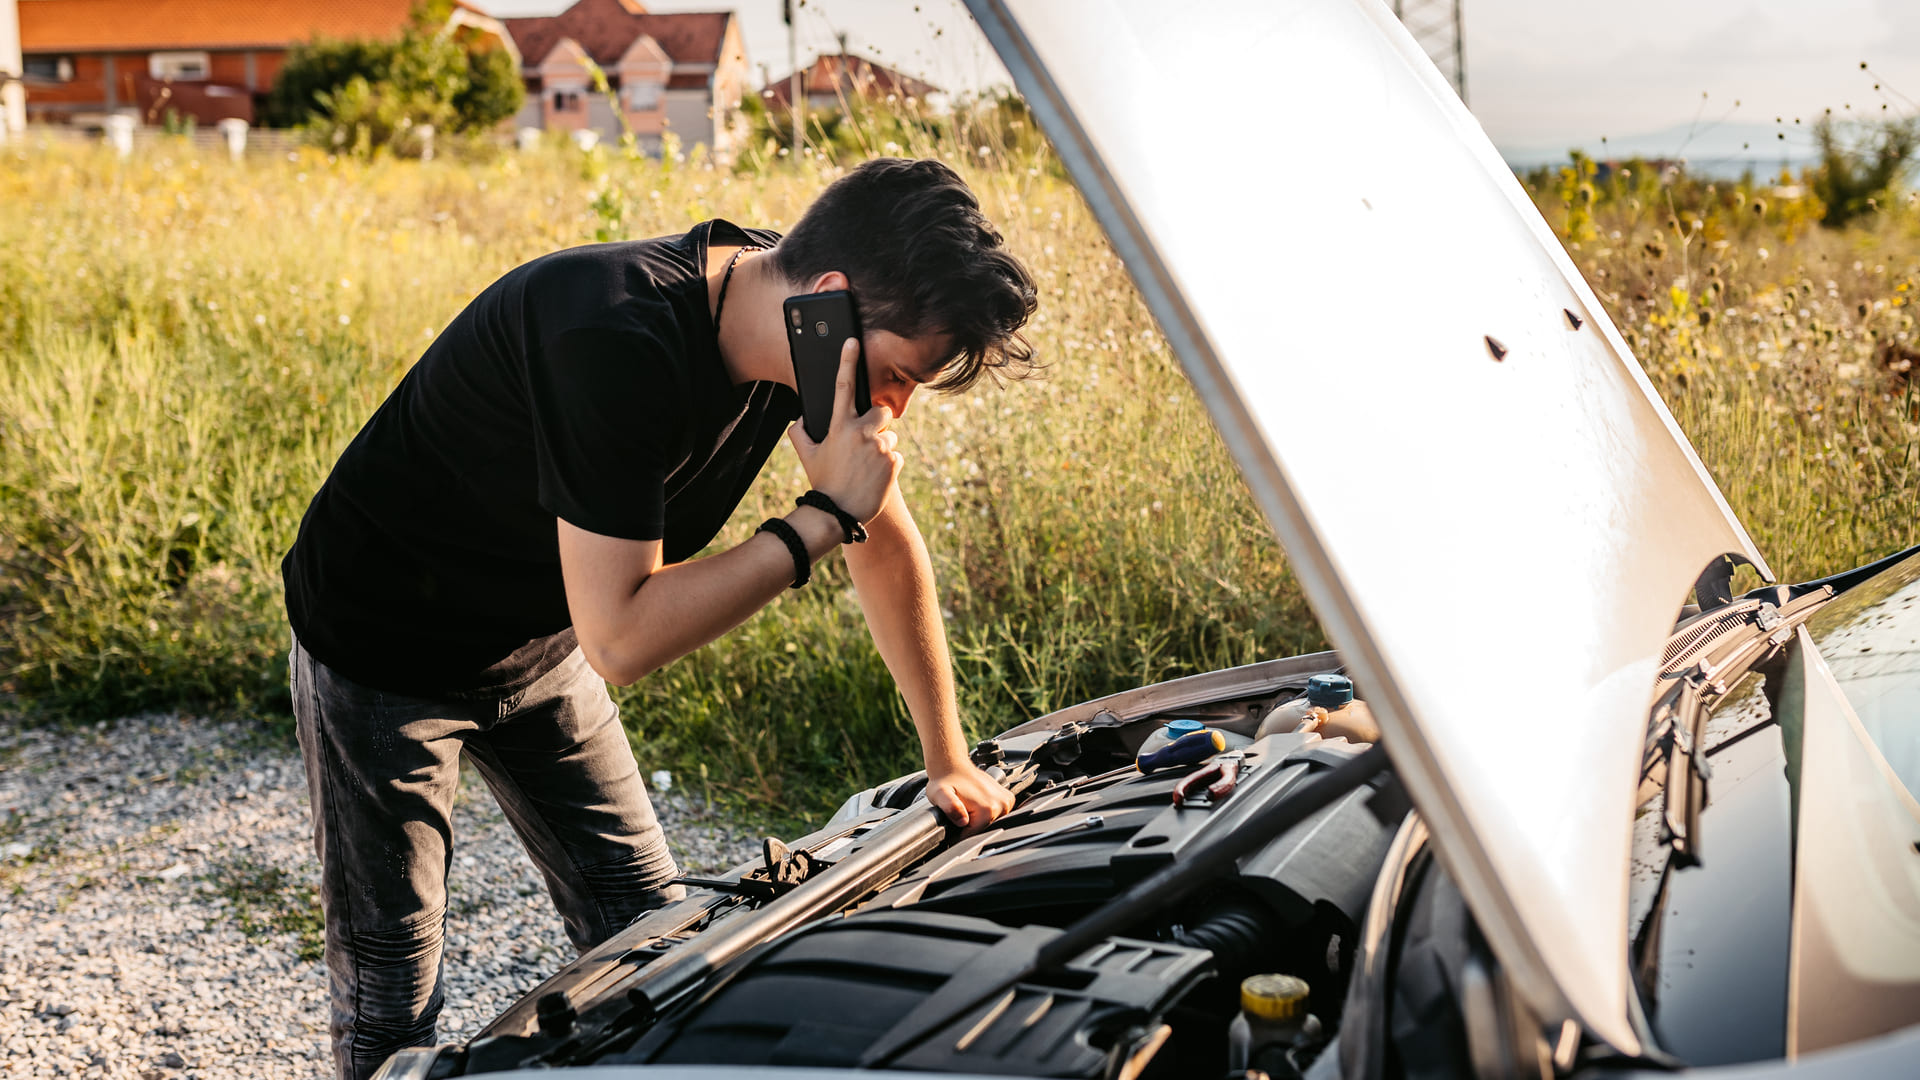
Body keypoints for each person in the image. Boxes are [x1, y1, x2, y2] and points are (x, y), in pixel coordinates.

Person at [281, 157, 1038, 1080]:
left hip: (541, 644)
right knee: (393, 1000)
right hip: (382, 648)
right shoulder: (612, 335)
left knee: (654, 942)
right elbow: (625, 639)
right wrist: (818, 521)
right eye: (897, 371)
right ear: (832, 300)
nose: (894, 406)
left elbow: (879, 535)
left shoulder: (796, 325)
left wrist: (947, 759)